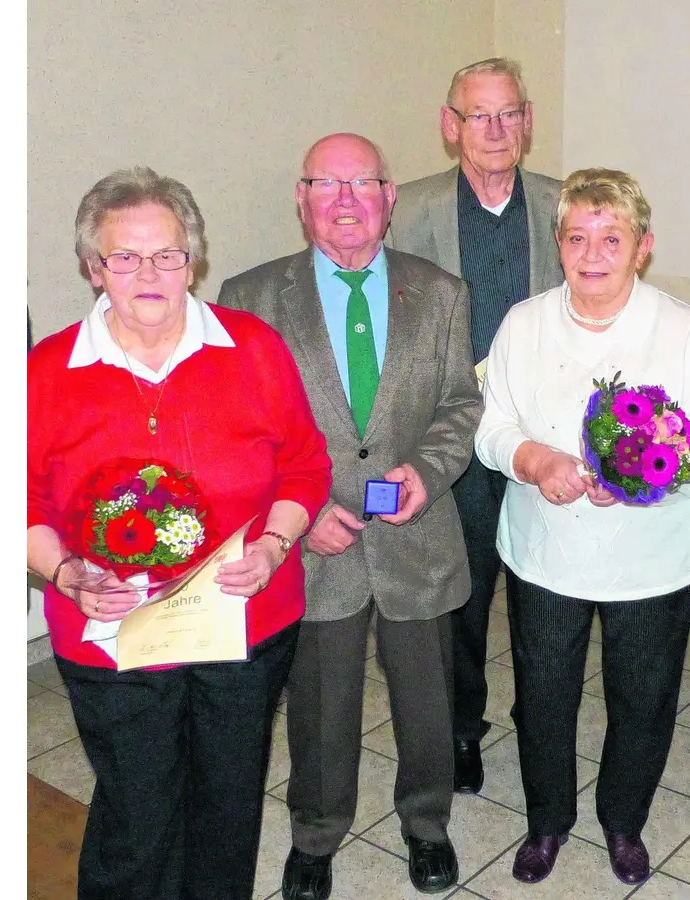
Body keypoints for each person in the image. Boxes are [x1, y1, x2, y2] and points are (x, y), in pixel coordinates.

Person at [27, 167, 332, 900]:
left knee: (228, 801)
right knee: (137, 809)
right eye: (124, 257)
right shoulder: (48, 372)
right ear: (94, 268)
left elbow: (304, 465)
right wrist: (66, 573)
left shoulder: (253, 348)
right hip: (113, 636)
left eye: (166, 254)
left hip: (244, 623)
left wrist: (273, 547)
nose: (148, 273)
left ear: (192, 258)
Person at [216, 134, 482, 899]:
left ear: (389, 198)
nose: (344, 199)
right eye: (325, 183)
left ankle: (426, 825)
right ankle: (316, 835)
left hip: (417, 535)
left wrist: (427, 474)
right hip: (312, 541)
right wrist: (291, 515)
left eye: (362, 183)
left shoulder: (440, 292)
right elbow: (240, 430)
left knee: (426, 699)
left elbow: (461, 405)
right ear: (300, 200)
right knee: (321, 706)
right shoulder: (251, 295)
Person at [473, 168, 690, 886]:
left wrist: (654, 472)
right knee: (544, 693)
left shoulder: (676, 324)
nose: (594, 253)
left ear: (641, 247)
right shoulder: (524, 324)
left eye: (611, 237)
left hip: (649, 558)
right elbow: (490, 426)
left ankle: (623, 821)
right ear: (557, 244)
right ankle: (547, 821)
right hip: (545, 553)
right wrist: (528, 457)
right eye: (578, 236)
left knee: (642, 697)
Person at [389, 56, 564, 794]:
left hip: (542, 443)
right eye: (477, 116)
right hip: (450, 442)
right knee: (458, 599)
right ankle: (463, 728)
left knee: (541, 596)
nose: (494, 130)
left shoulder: (566, 208)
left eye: (508, 113)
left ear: (526, 120)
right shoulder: (411, 211)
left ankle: (541, 721)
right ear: (449, 125)